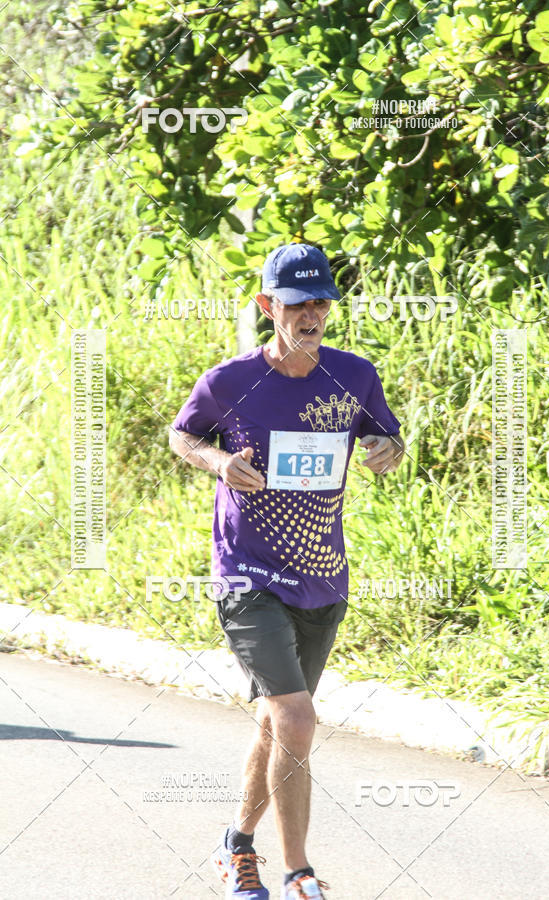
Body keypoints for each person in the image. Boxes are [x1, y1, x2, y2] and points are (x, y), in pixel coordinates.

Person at [170, 243, 404, 899]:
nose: (311, 315)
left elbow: (384, 436)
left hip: (322, 579)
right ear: (268, 306)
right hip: (248, 577)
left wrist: (387, 448)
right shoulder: (231, 380)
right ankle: (299, 871)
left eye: (321, 302)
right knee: (298, 719)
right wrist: (218, 463)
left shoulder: (354, 376)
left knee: (279, 722)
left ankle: (235, 846)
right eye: (297, 303)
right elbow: (183, 435)